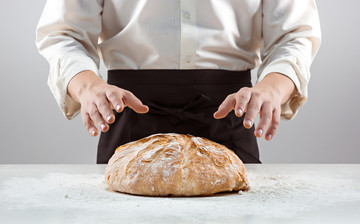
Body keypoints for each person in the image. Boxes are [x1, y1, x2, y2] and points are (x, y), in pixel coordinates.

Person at [36, 0, 321, 164]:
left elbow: (294, 35)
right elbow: (64, 34)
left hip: (232, 116)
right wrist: (88, 86)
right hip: (126, 118)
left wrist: (271, 88)